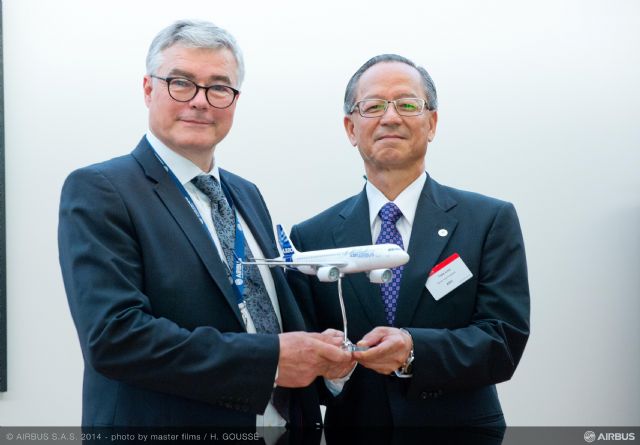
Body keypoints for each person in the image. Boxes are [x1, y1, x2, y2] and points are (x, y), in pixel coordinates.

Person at [58, 20, 353, 428]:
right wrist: (269, 361)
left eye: (218, 87)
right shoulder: (101, 190)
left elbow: (262, 316)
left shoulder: (246, 193)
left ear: (234, 99)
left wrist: (323, 358)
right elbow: (115, 339)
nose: (200, 101)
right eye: (181, 83)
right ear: (148, 89)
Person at [287, 54, 530, 430]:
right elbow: (303, 369)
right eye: (372, 106)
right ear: (351, 128)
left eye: (407, 104)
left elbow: (503, 342)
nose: (390, 117)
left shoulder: (488, 221)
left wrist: (413, 351)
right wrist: (333, 372)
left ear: (431, 123)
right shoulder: (312, 238)